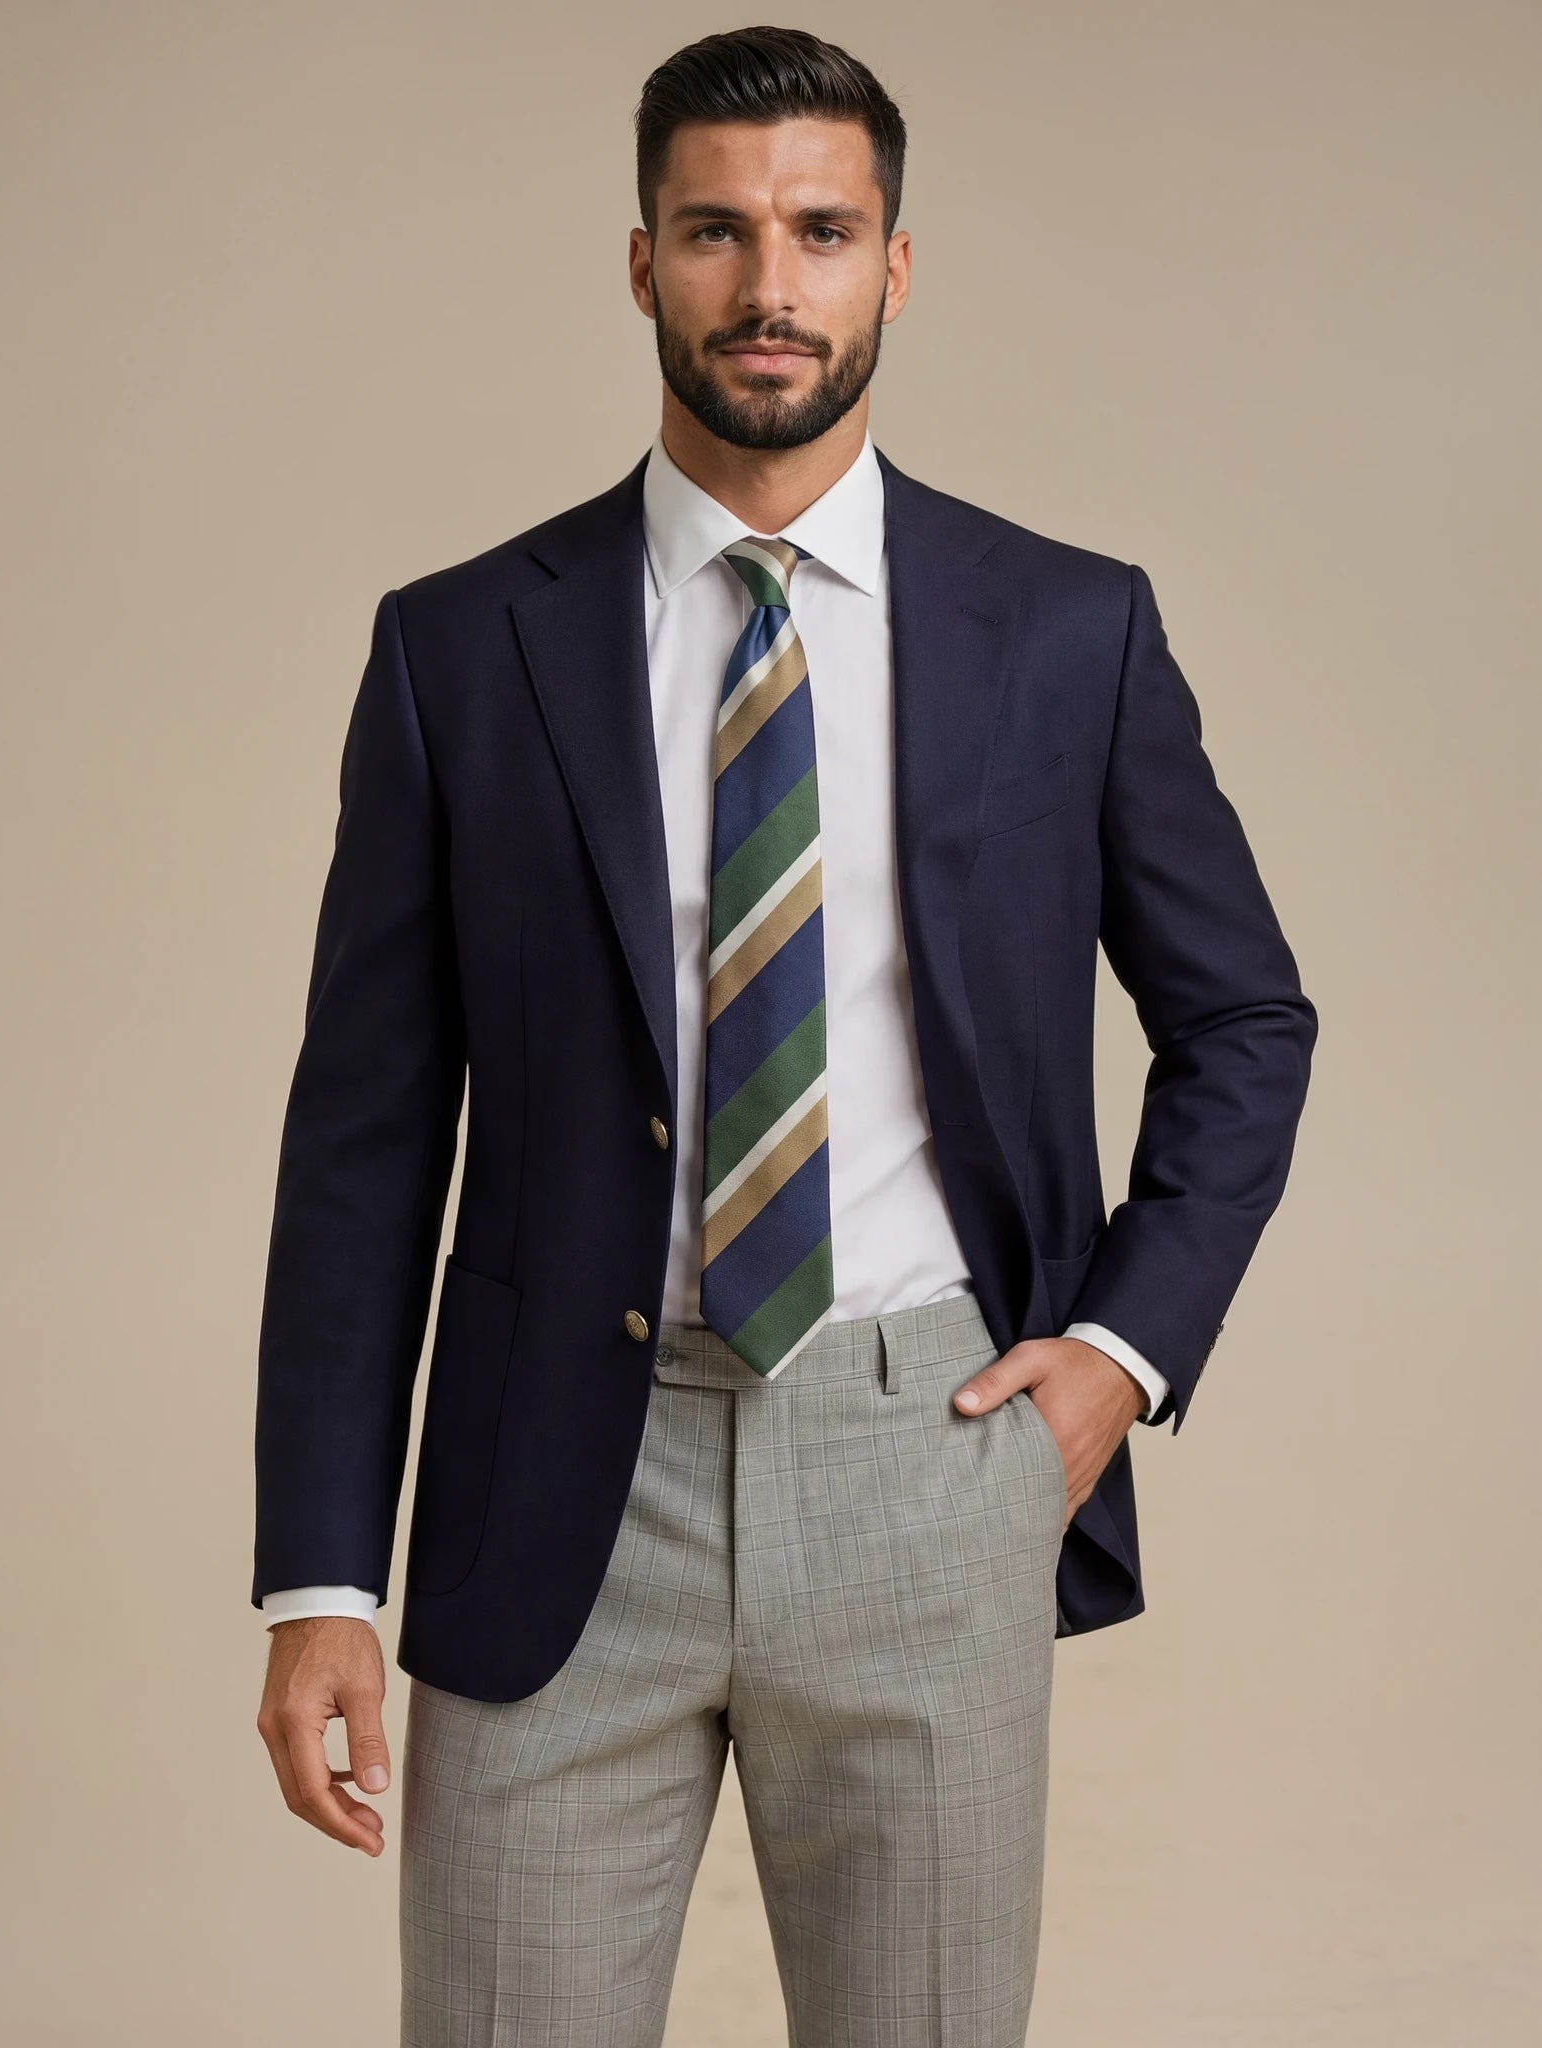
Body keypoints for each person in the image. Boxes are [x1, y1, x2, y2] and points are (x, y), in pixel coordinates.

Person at [252, 25, 1318, 2046]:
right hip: (555, 1481)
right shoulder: (462, 649)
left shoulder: (1065, 629)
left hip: (932, 1460)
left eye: (820, 233)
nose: (769, 287)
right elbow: (364, 1143)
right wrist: (318, 1573)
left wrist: (1107, 1365)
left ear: (892, 267)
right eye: (717, 232)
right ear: (639, 260)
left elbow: (1243, 1019)